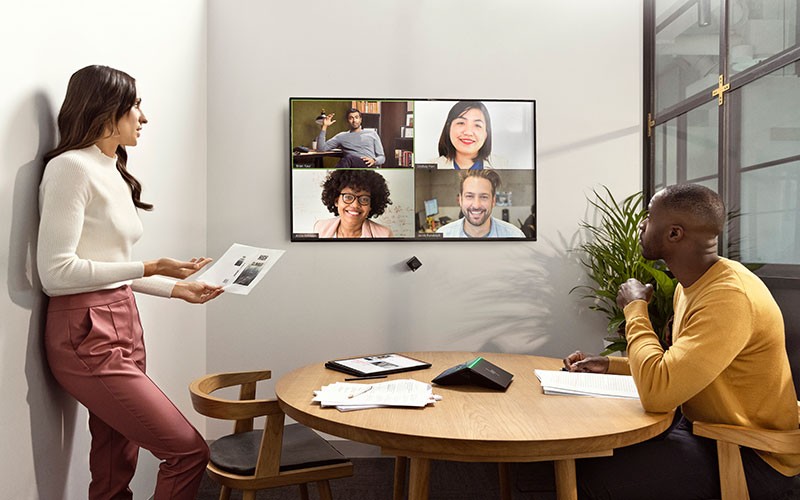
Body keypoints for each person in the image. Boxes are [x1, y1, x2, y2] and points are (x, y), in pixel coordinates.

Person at [37, 65, 224, 500]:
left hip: (121, 317)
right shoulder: (71, 169)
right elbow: (57, 273)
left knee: (114, 452)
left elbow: (110, 264)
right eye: (136, 105)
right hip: (84, 328)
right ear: (107, 111)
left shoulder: (111, 169)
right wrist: (152, 266)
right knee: (188, 451)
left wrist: (177, 288)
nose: (144, 117)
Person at [563, 184, 799, 499]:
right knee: (588, 456)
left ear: (674, 234)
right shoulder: (690, 286)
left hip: (752, 455)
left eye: (648, 217)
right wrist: (610, 365)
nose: (641, 225)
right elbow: (679, 368)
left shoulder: (729, 297)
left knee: (591, 479)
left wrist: (635, 308)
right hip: (704, 434)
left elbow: (660, 394)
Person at [436, 170, 525, 238]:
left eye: (484, 197)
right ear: (460, 200)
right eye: (469, 196)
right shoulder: (443, 236)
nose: (476, 205)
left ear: (493, 201)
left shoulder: (515, 235)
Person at [314, 169, 394, 238]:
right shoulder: (320, 227)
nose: (355, 205)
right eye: (348, 197)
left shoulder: (384, 234)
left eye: (364, 199)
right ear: (336, 201)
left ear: (371, 205)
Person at [316, 108, 385, 168]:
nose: (354, 120)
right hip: (351, 168)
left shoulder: (372, 133)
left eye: (356, 117)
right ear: (347, 121)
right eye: (351, 118)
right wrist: (324, 126)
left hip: (368, 166)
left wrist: (374, 160)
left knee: (348, 158)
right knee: (348, 159)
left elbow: (382, 157)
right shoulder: (341, 136)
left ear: (360, 119)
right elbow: (321, 148)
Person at [435, 101, 493, 170]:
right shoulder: (432, 166)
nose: (468, 132)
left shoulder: (503, 164)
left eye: (477, 125)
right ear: (448, 128)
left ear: (486, 134)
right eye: (461, 123)